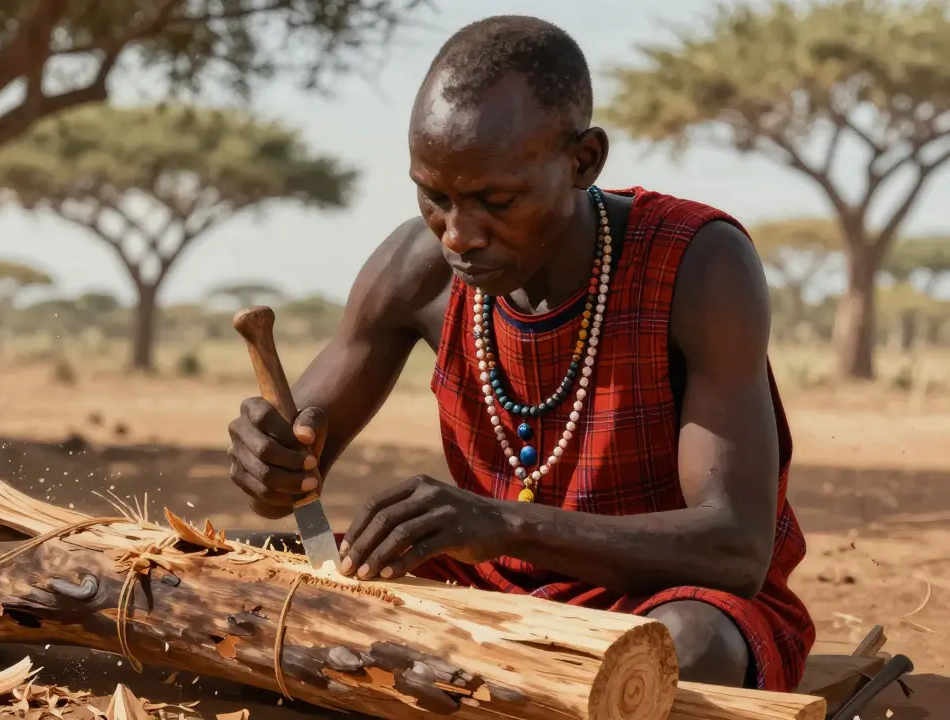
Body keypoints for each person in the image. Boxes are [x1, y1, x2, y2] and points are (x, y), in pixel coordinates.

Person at [225, 15, 814, 693]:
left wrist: (502, 523)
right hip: (483, 594)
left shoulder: (698, 263)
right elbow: (293, 480)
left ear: (583, 160)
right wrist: (266, 465)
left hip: (657, 595)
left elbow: (735, 550)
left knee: (684, 648)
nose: (459, 234)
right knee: (244, 576)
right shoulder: (416, 271)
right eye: (434, 197)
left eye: (495, 200)